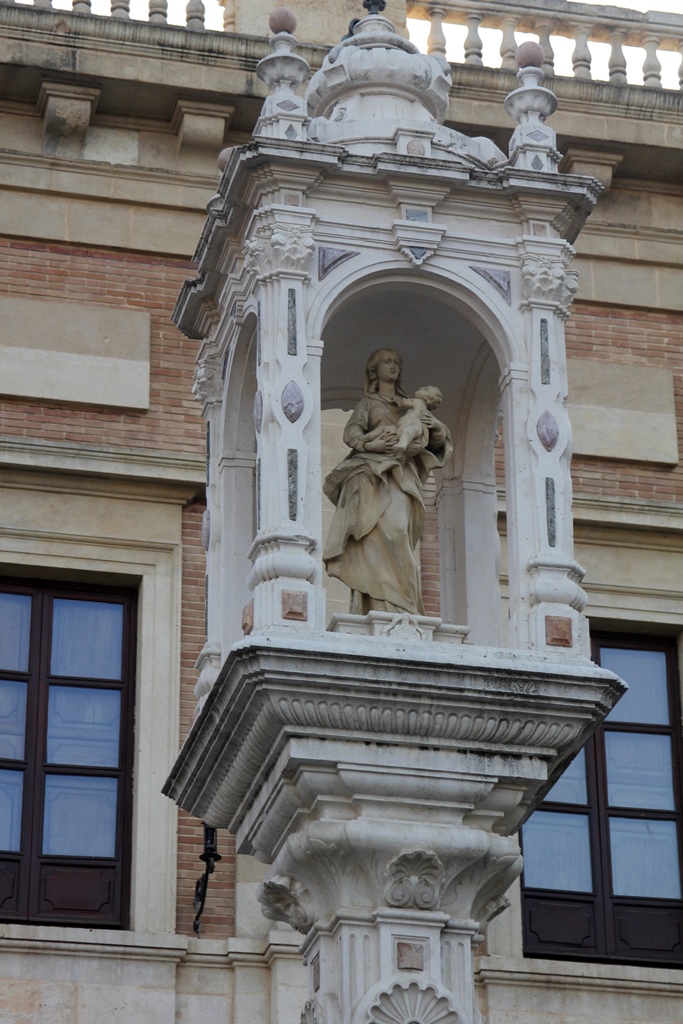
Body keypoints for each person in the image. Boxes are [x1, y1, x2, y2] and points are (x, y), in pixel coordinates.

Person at [323, 349, 452, 615]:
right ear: (375, 370)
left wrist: (437, 427)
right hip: (370, 474)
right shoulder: (369, 403)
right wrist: (374, 444)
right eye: (386, 362)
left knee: (397, 532)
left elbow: (437, 442)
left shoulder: (411, 403)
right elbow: (352, 434)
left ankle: (405, 605)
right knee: (370, 538)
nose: (393, 366)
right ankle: (377, 604)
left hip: (401, 474)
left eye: (396, 363)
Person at [392, 385, 443, 459]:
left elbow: (403, 402)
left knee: (411, 429)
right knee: (411, 429)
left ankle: (403, 443)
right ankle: (403, 444)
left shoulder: (416, 402)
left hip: (409, 424)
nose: (421, 388)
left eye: (425, 389)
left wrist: (394, 399)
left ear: (426, 398)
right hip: (416, 434)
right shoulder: (426, 412)